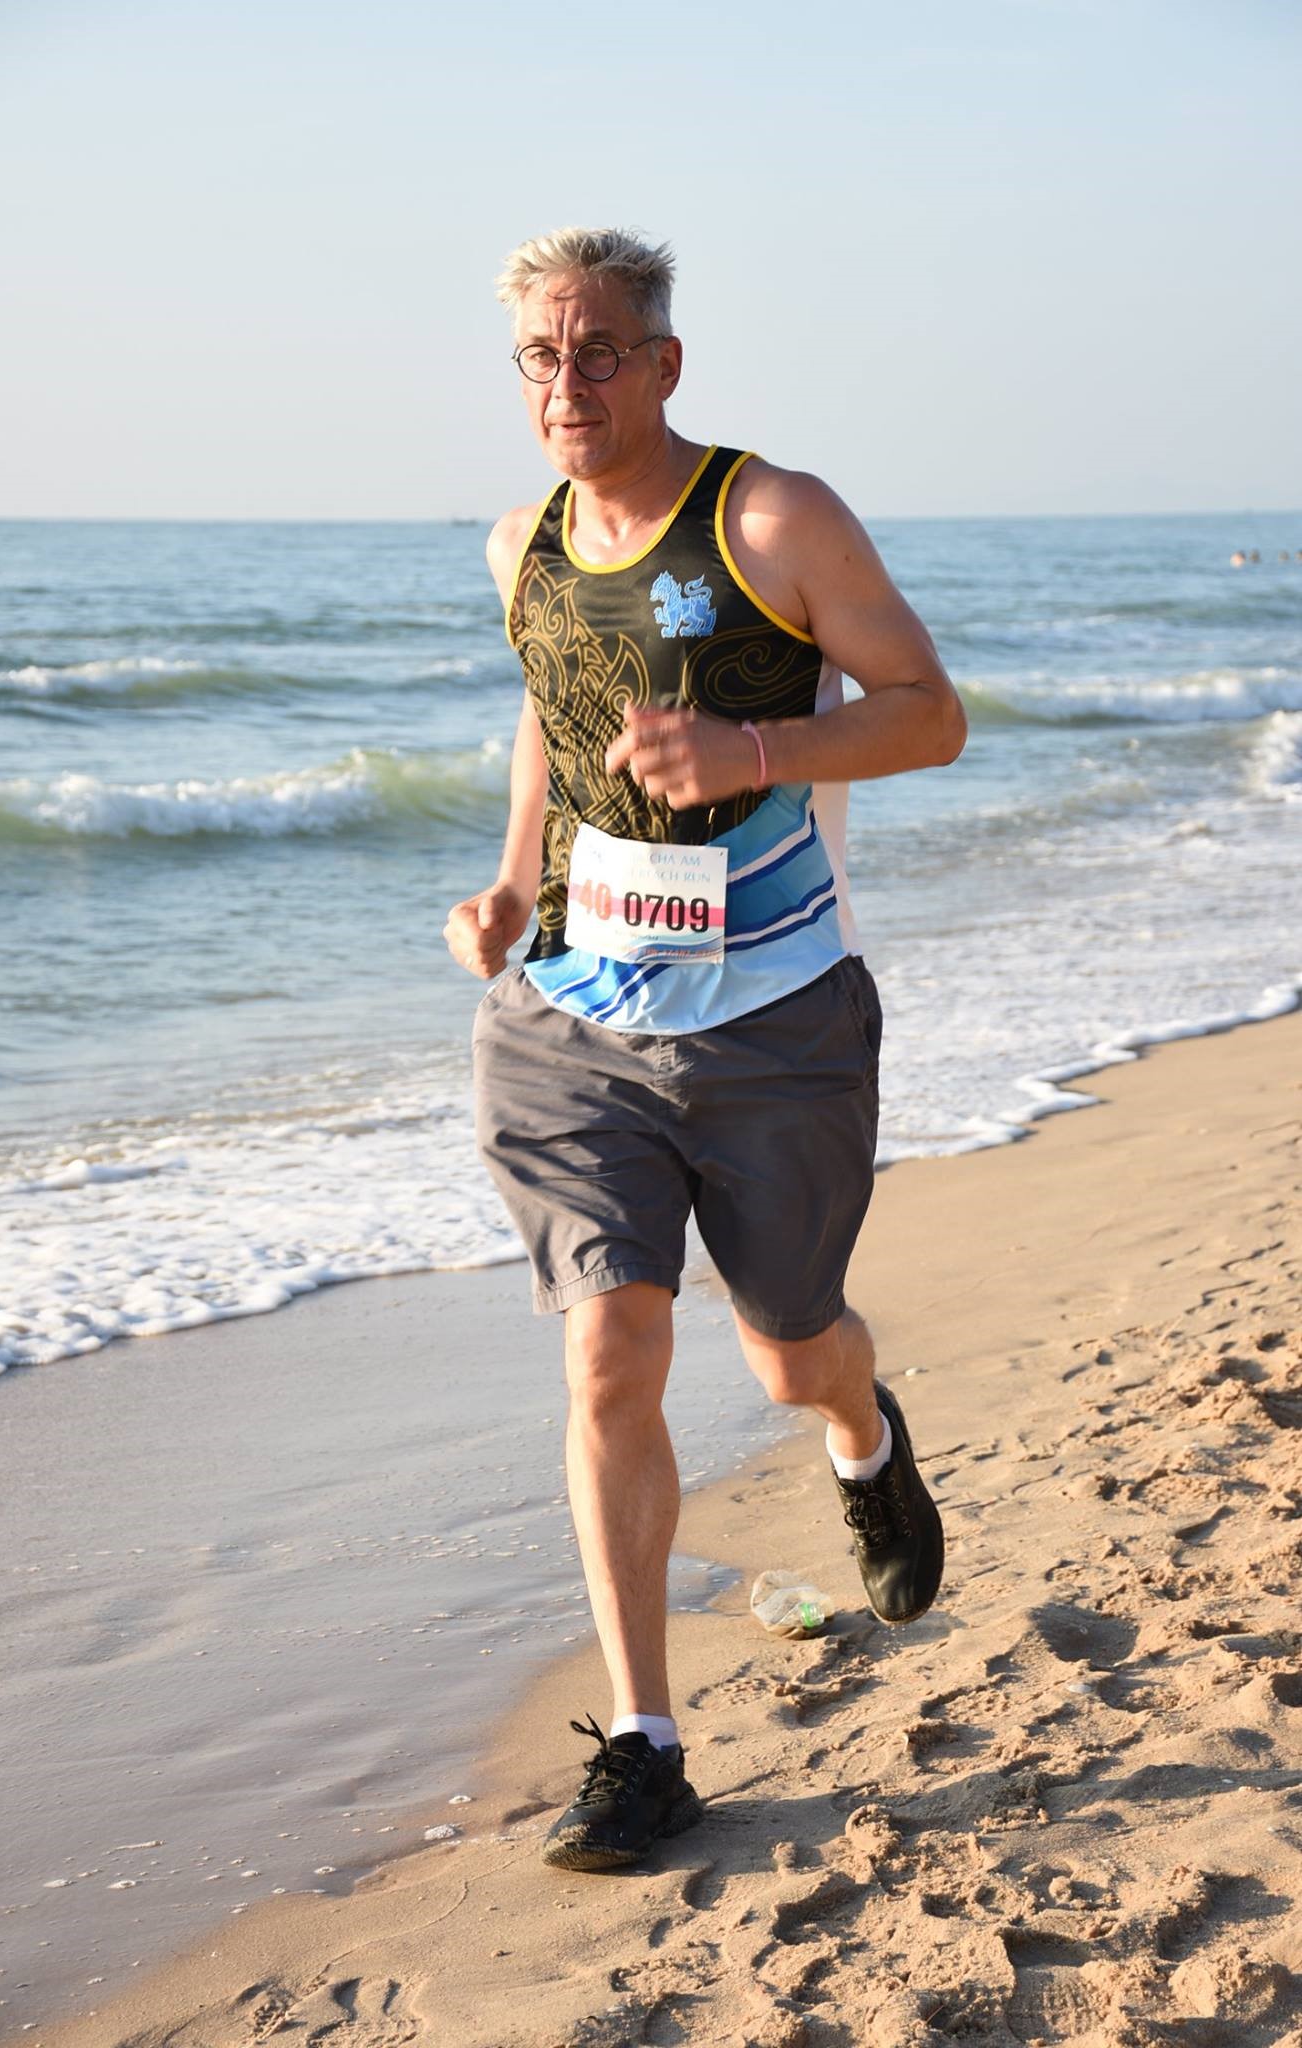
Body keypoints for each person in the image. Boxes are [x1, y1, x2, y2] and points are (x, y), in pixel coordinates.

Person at [443, 227, 967, 1874]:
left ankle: (862, 1434)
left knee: (789, 1346)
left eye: (600, 350)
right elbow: (551, 701)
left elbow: (929, 711)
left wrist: (754, 743)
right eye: (540, 354)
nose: (568, 382)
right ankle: (649, 1743)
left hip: (775, 1015)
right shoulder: (519, 538)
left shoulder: (771, 518)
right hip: (575, 1024)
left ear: (666, 362)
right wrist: (520, 873)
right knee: (610, 1352)